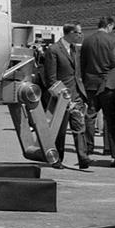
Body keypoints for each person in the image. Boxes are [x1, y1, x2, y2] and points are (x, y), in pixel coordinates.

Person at [44, 22, 90, 169]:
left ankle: (83, 158)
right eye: (78, 33)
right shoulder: (54, 50)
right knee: (60, 130)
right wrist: (62, 96)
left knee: (79, 126)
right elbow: (51, 78)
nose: (80, 35)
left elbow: (77, 73)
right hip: (61, 97)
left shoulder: (75, 49)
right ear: (70, 33)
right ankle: (57, 159)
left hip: (76, 94)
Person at [80, 17, 115, 156]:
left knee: (90, 115)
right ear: (109, 25)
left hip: (91, 83)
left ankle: (89, 147)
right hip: (108, 83)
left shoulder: (87, 40)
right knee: (110, 117)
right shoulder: (112, 40)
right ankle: (109, 149)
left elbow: (82, 63)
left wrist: (84, 80)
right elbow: (114, 61)